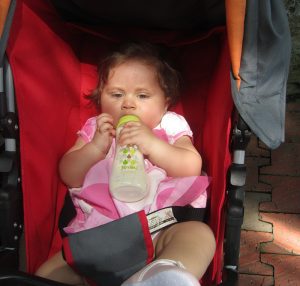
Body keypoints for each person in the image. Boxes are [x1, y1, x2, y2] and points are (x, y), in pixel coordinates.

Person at [35, 42, 216, 286]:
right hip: (99, 235)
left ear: (165, 102)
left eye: (142, 95)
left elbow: (190, 166)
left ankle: (163, 276)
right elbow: (69, 173)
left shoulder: (169, 126)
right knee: (48, 273)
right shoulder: (97, 129)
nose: (128, 103)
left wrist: (153, 144)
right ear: (101, 98)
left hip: (159, 231)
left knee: (199, 235)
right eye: (117, 94)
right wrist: (96, 148)